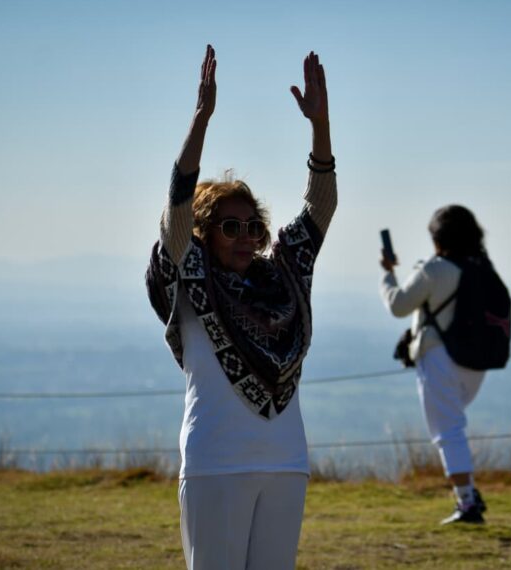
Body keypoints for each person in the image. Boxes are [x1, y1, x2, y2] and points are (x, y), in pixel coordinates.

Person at [145, 45, 336, 569]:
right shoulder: (190, 273)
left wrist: (320, 128)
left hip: (286, 463)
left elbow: (320, 206)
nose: (246, 237)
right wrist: (201, 119)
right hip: (215, 463)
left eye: (254, 227)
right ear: (204, 233)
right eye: (230, 227)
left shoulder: (284, 276)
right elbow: (175, 213)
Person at [379, 205, 491, 525]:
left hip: (440, 357)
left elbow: (399, 305)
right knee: (453, 426)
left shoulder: (435, 269)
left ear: (438, 237)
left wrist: (387, 273)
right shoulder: (482, 268)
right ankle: (468, 492)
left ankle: (467, 502)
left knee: (447, 431)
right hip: (476, 360)